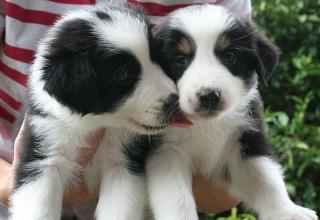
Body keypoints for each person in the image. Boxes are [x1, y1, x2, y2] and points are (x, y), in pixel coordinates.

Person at [0, 0, 251, 218]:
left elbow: (224, 192)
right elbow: (35, 180)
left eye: (154, 58)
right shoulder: (56, 102)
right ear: (78, 88)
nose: (169, 92)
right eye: (124, 74)